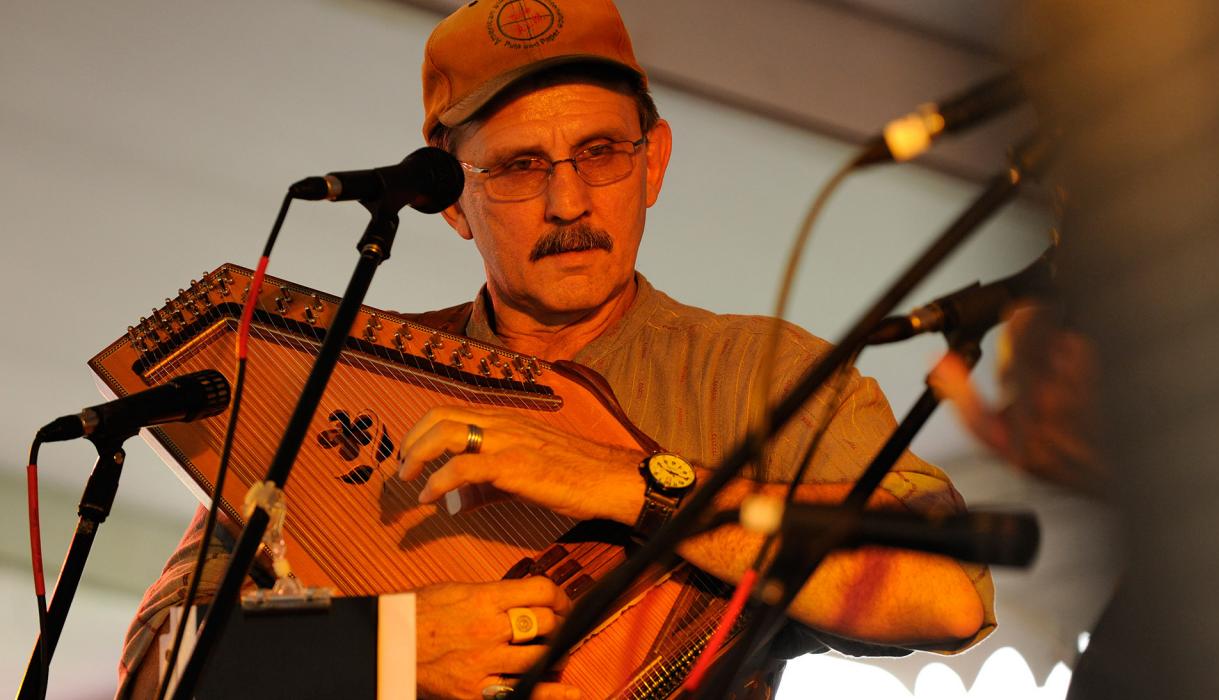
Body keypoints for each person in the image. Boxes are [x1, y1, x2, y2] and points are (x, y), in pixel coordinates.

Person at [118, 2, 994, 698]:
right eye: (520, 167)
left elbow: (950, 590)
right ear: (452, 199)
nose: (570, 200)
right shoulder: (340, 384)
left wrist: (618, 482)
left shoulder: (760, 375)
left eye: (601, 152)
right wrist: (394, 651)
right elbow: (154, 670)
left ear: (654, 162)